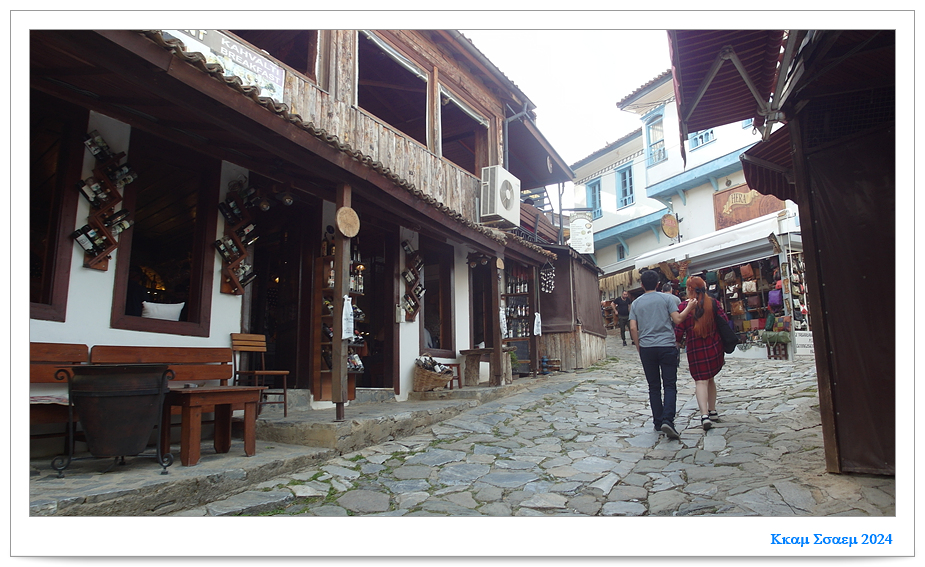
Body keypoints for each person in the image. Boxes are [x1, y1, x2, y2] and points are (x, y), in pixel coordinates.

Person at [629, 270, 697, 440]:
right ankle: (668, 419)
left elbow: (633, 327)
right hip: (666, 345)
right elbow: (678, 319)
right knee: (669, 385)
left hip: (647, 348)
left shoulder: (636, 303)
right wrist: (689, 307)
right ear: (658, 284)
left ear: (642, 285)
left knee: (653, 386)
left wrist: (639, 346)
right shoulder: (667, 299)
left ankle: (658, 422)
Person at [674, 275, 728, 431]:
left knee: (700, 381)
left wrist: (676, 343)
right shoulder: (714, 303)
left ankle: (704, 415)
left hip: (695, 348)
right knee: (710, 378)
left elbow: (679, 329)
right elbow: (724, 322)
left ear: (689, 289)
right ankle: (713, 411)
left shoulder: (684, 306)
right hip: (713, 345)